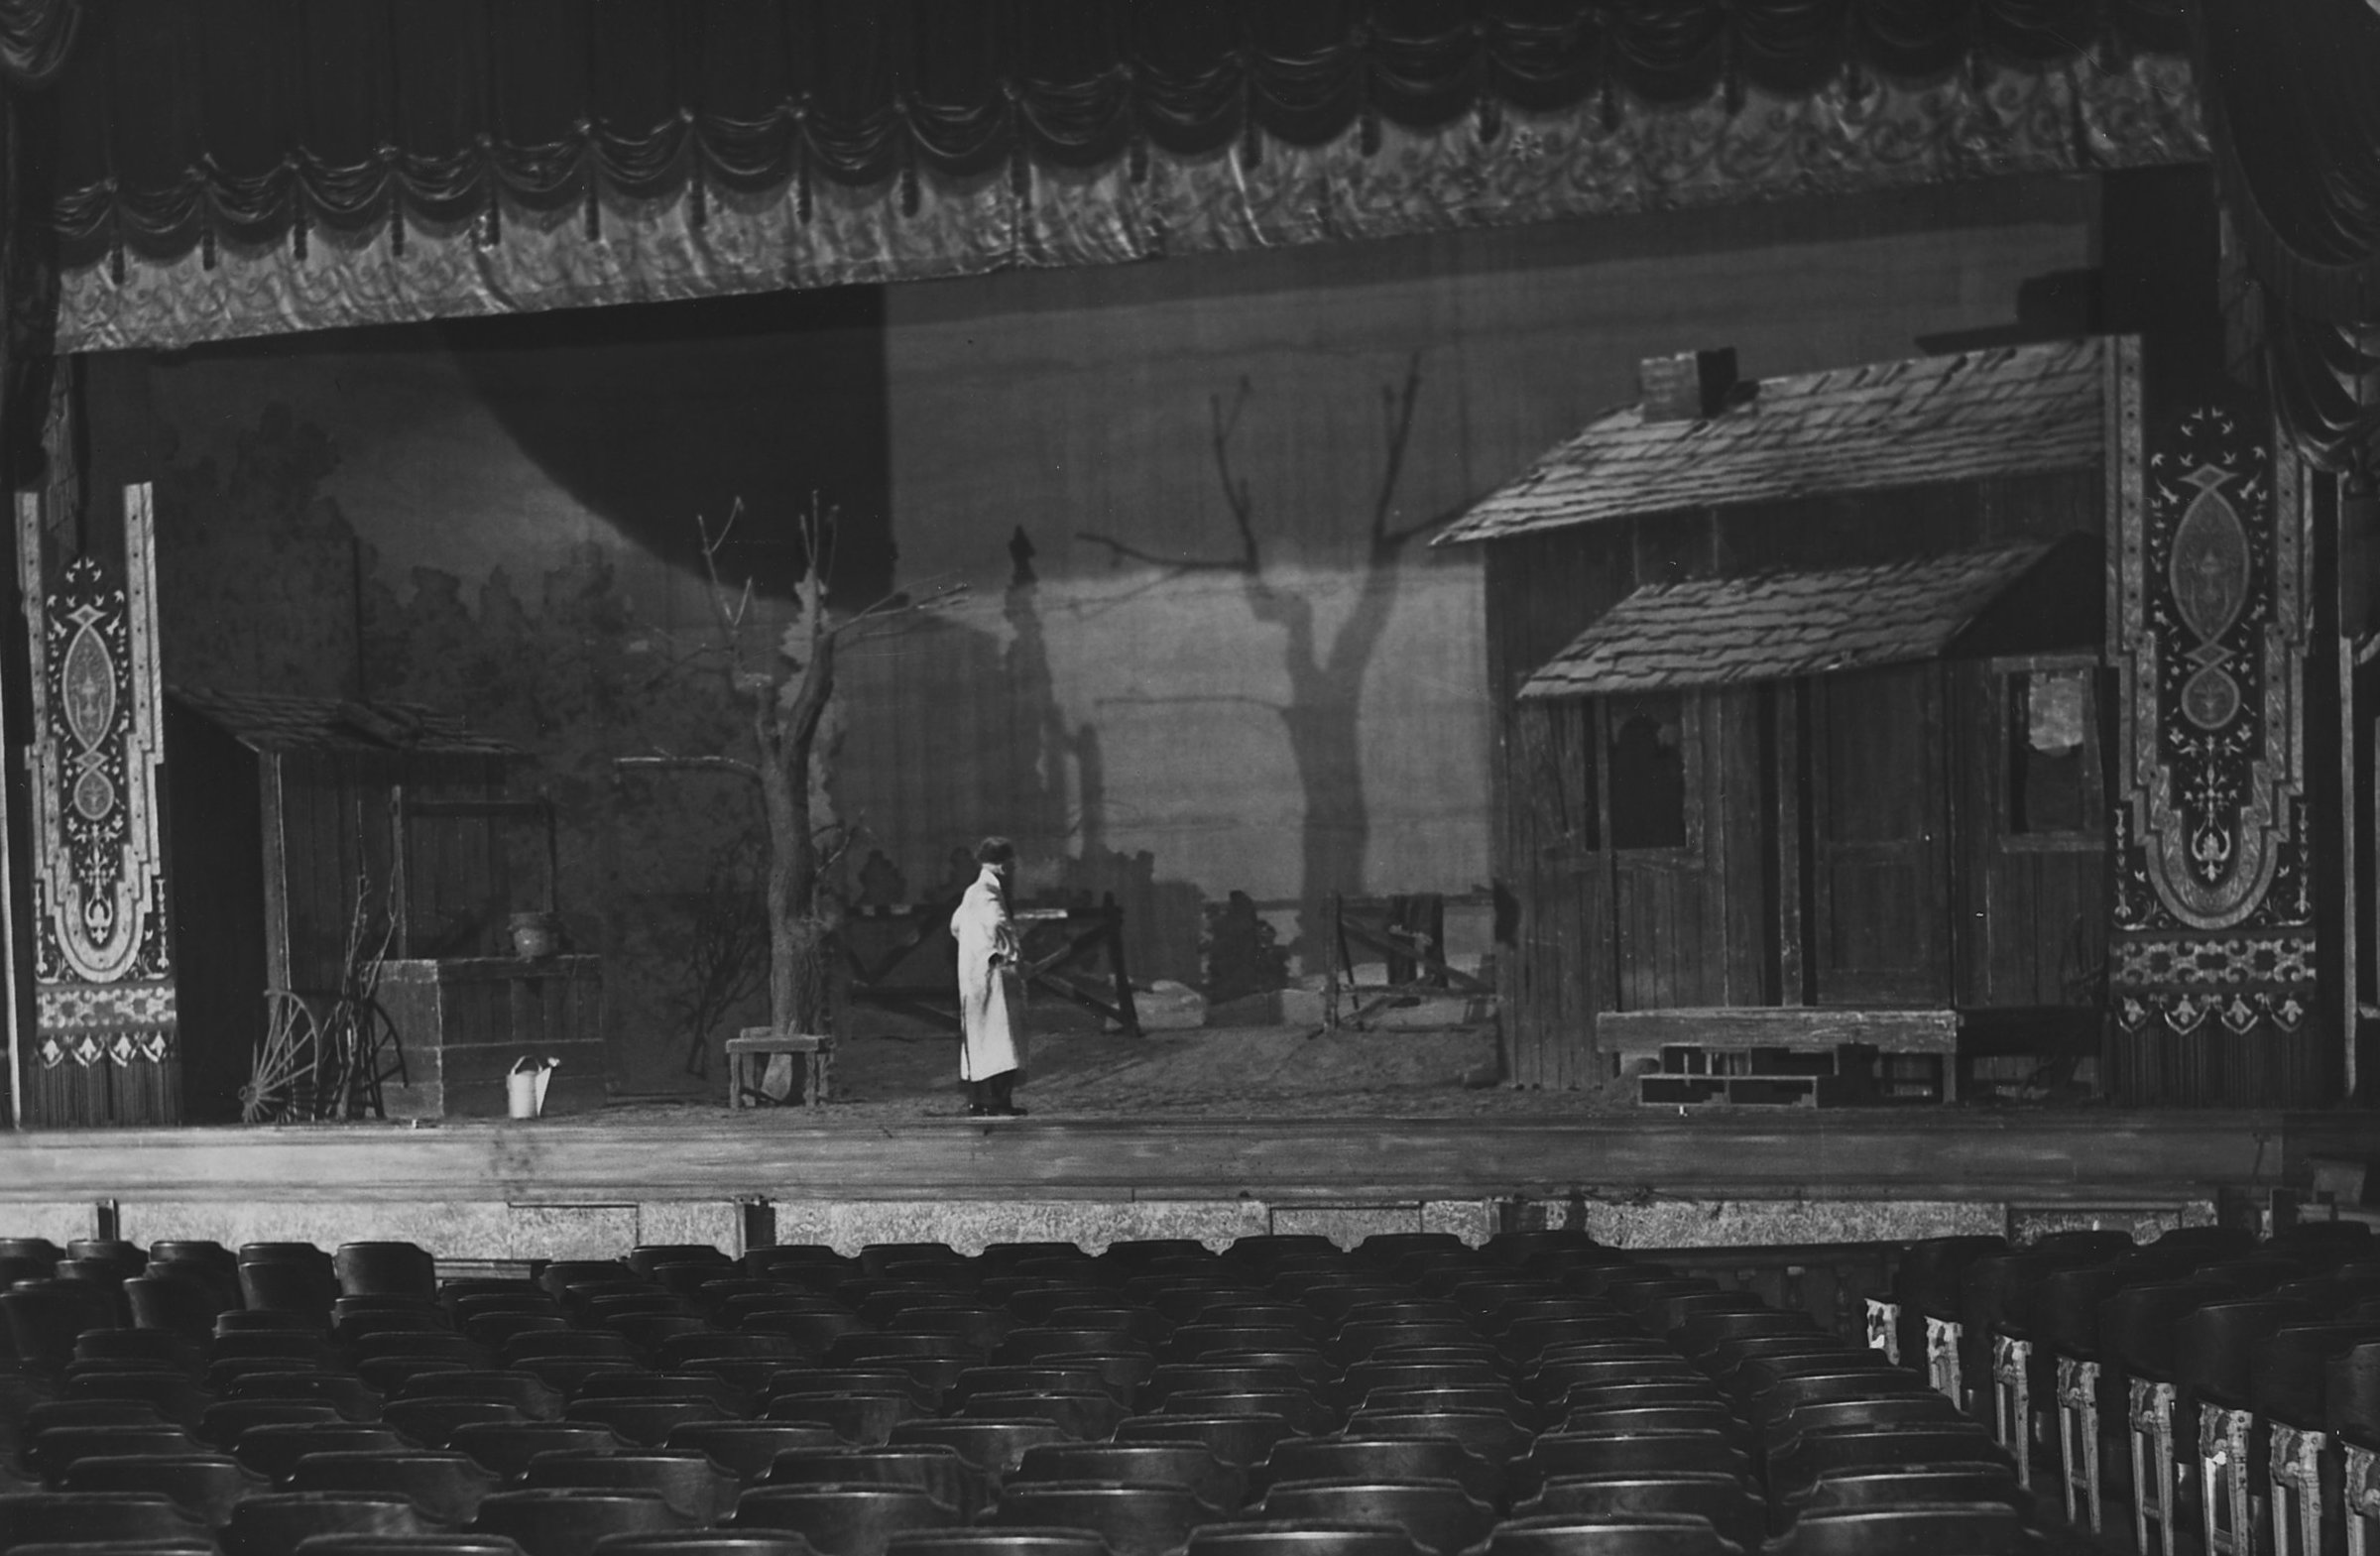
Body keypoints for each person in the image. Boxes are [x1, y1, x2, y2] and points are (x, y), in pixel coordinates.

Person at [952, 835, 1025, 1117]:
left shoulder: (971, 891)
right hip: (993, 973)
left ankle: (980, 1099)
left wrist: (971, 947)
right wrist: (1010, 952)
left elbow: (956, 925)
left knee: (979, 1037)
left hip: (973, 974)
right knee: (1001, 1038)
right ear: (1004, 865)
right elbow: (998, 922)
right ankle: (997, 1101)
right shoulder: (988, 893)